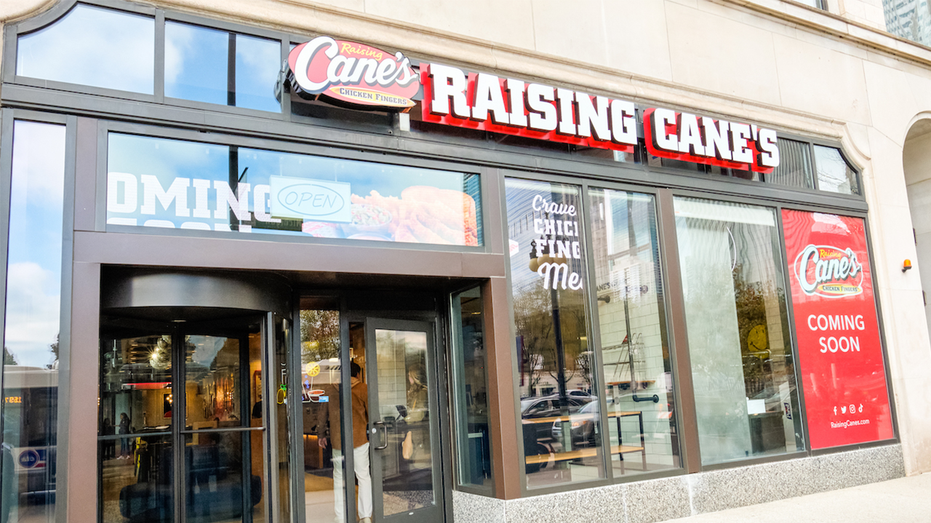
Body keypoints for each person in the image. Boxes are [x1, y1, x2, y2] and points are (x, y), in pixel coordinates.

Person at [317, 361, 372, 523]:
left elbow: (322, 415)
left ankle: (341, 516)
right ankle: (365, 516)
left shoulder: (330, 390)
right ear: (357, 374)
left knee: (339, 478)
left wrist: (321, 435)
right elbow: (372, 414)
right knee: (363, 477)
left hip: (338, 441)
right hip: (360, 439)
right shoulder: (363, 388)